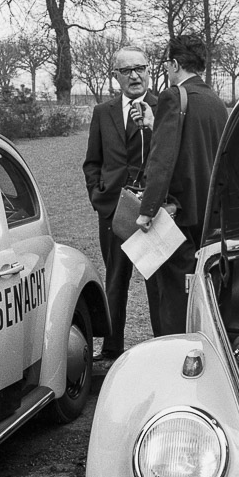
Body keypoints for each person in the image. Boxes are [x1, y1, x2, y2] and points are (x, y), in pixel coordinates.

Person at [136, 34, 228, 336]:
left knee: (173, 297)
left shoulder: (173, 95)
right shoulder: (216, 102)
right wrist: (155, 123)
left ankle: (173, 356)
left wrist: (147, 210)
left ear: (175, 63)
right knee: (201, 293)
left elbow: (162, 159)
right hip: (210, 218)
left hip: (178, 217)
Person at [82, 46, 160, 360]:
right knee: (116, 280)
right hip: (114, 211)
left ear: (149, 70)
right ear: (116, 76)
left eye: (139, 68)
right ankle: (112, 348)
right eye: (126, 70)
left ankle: (165, 347)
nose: (134, 75)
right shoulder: (104, 112)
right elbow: (92, 162)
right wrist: (99, 198)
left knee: (158, 284)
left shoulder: (164, 108)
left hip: (154, 211)